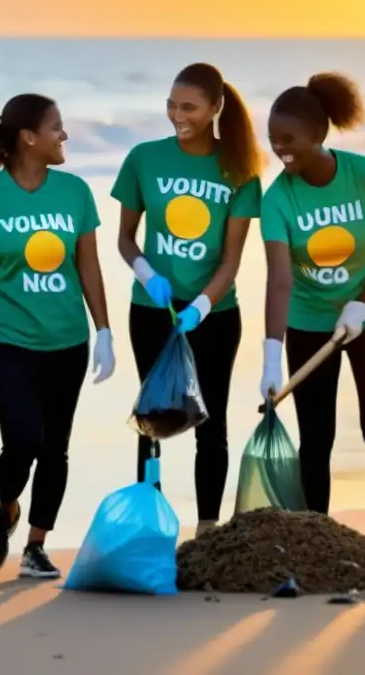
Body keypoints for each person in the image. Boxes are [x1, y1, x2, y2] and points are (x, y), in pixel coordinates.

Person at [0, 93, 115, 579]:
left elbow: (89, 265)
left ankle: (35, 546)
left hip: (68, 341)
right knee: (21, 441)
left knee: (55, 446)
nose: (65, 135)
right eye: (56, 127)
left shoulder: (75, 193)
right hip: (9, 340)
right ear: (28, 138)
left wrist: (104, 330)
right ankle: (8, 506)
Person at [111, 62, 263, 537]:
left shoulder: (239, 171)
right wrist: (147, 274)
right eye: (172, 105)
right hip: (152, 310)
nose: (178, 115)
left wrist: (202, 305)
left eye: (190, 107)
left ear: (216, 108)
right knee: (151, 419)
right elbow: (125, 240)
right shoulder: (143, 159)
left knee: (210, 425)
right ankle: (149, 526)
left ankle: (206, 530)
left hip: (214, 316)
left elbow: (231, 261)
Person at [259, 73, 365, 550]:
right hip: (308, 324)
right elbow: (279, 279)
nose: (280, 149)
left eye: (289, 139)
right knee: (316, 437)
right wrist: (271, 357)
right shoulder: (278, 198)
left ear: (318, 135)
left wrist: (361, 304)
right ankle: (316, 540)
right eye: (273, 140)